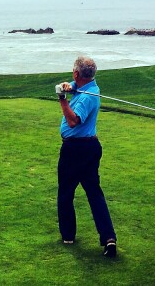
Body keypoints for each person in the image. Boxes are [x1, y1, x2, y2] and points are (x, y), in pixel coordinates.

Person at [55, 55, 117, 257]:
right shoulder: (89, 87)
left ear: (76, 73)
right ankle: (109, 238)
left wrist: (62, 99)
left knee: (66, 193)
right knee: (94, 193)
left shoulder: (88, 97)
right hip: (90, 148)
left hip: (75, 150)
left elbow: (73, 121)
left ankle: (68, 235)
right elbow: (75, 86)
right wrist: (68, 86)